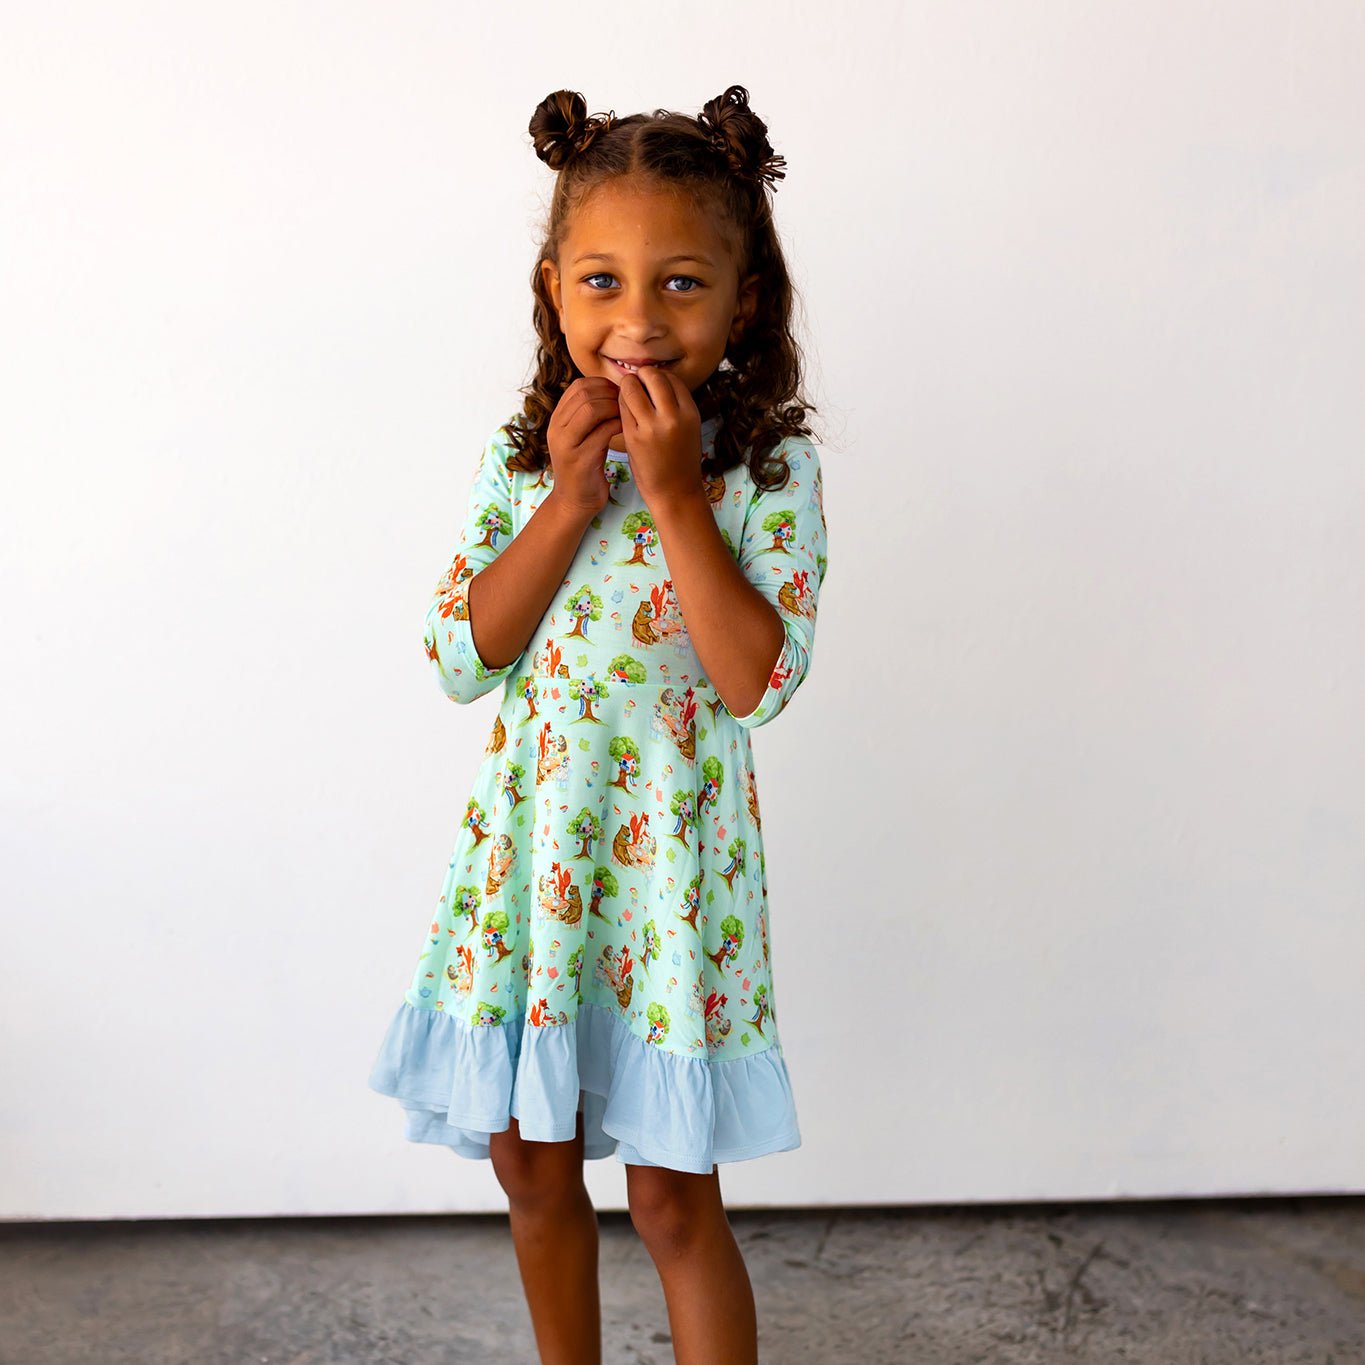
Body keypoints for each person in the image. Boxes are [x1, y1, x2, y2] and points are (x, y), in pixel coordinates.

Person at [368, 84, 830, 1365]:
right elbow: (460, 656)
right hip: (533, 867)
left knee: (673, 1198)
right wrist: (570, 503)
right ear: (554, 294)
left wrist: (675, 496)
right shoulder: (527, 458)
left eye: (681, 284)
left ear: (744, 301)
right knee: (530, 1165)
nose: (638, 320)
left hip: (670, 879)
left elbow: (758, 682)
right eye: (602, 283)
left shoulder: (766, 473)